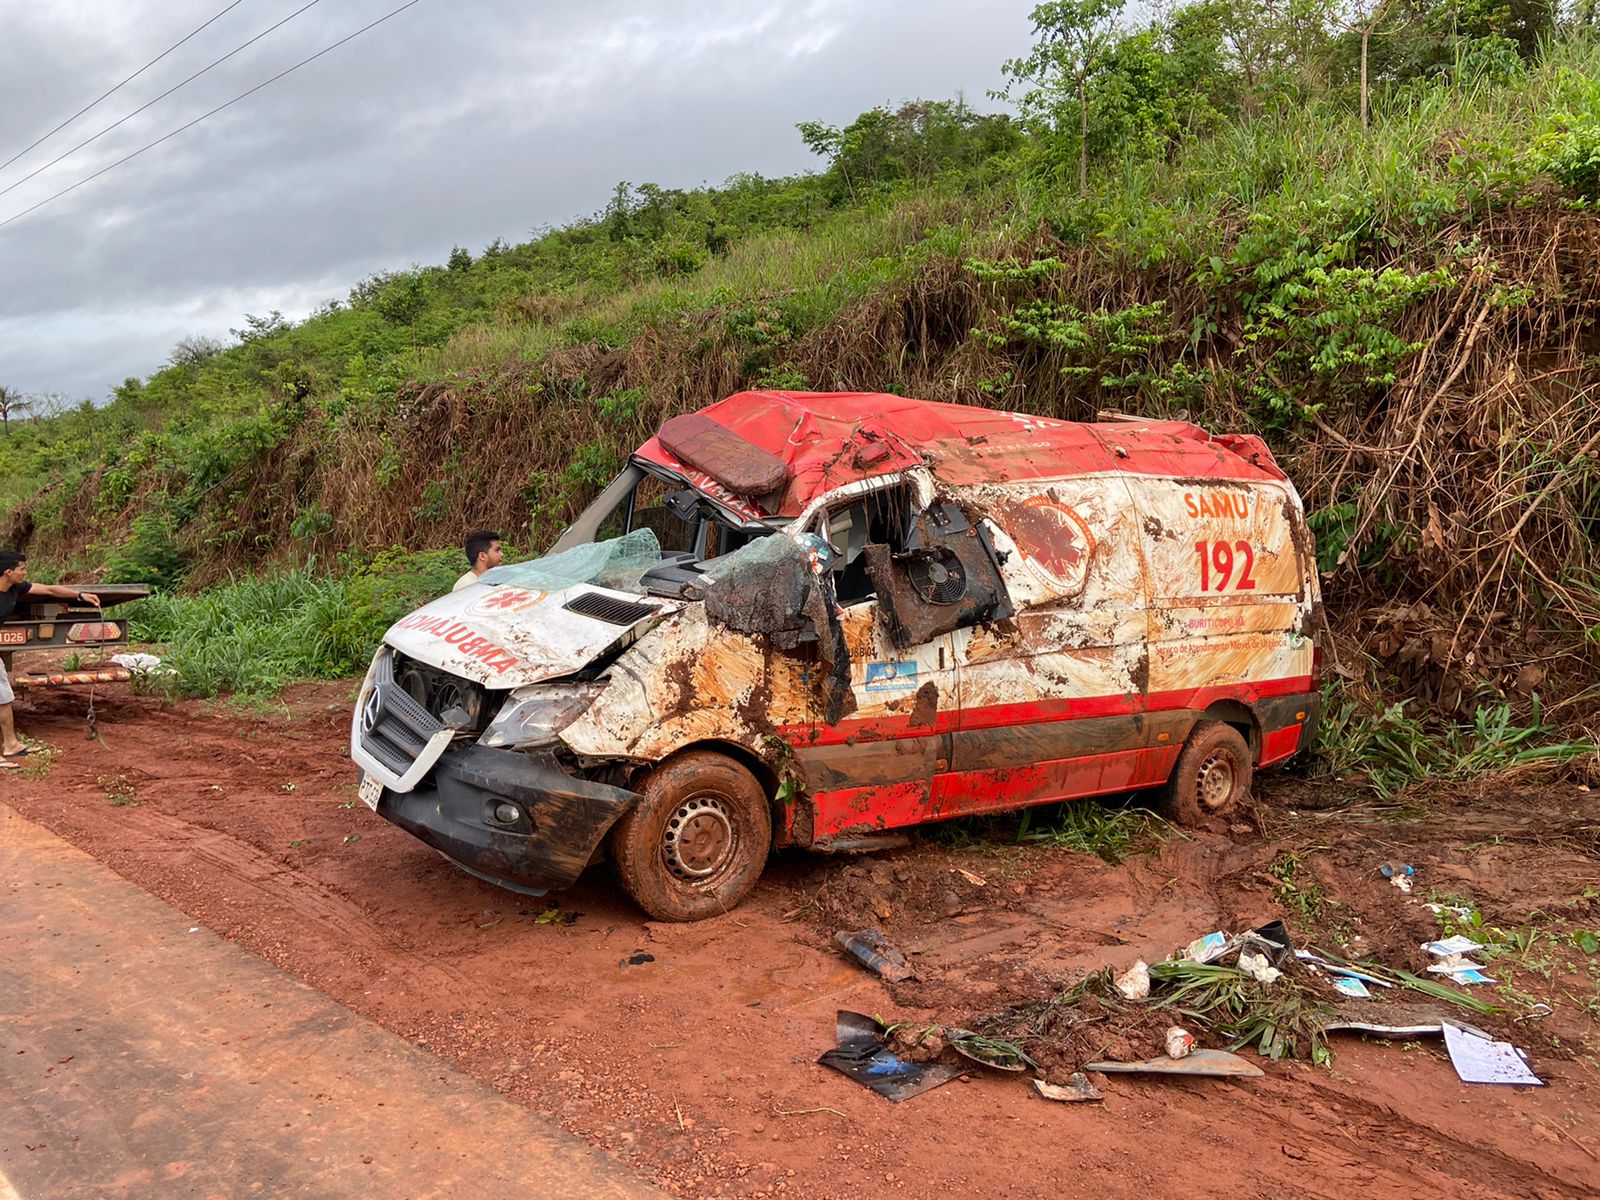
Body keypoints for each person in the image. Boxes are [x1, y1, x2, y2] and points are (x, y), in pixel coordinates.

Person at [0, 551, 100, 768]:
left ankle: (11, 745)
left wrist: (79, 595)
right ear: (8, 572)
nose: (25, 572)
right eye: (22, 569)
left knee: (5, 697)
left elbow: (49, 589)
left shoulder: (16, 588)